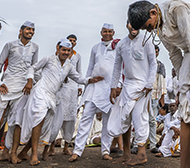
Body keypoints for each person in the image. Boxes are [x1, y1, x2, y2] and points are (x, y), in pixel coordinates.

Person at [127, 0, 190, 168]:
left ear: (153, 13)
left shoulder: (177, 10)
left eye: (148, 26)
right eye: (145, 29)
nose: (149, 30)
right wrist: (183, 85)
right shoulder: (158, 26)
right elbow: (174, 54)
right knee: (186, 107)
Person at [18, 39, 103, 165]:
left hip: (52, 98)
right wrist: (29, 81)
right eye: (63, 49)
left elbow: (78, 78)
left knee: (44, 127)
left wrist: (90, 80)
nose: (66, 52)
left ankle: (24, 152)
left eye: (68, 50)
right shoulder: (48, 59)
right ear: (58, 48)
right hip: (41, 93)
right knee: (38, 120)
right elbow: (32, 68)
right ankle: (34, 155)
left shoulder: (69, 66)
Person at [107, 22, 157, 165]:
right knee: (124, 118)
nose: (133, 27)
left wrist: (149, 83)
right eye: (131, 23)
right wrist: (113, 87)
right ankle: (127, 154)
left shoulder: (147, 41)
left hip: (143, 86)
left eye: (136, 23)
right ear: (127, 25)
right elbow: (117, 67)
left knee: (139, 117)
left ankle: (141, 154)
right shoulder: (122, 44)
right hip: (127, 85)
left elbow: (153, 63)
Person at [70, 23, 117, 162]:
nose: (107, 33)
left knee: (108, 122)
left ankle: (105, 151)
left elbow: (120, 67)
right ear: (101, 32)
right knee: (85, 118)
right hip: (94, 87)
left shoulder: (117, 47)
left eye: (109, 31)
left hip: (109, 89)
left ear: (113, 32)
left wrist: (118, 85)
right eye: (104, 31)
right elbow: (90, 67)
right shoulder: (95, 48)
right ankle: (77, 151)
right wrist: (88, 82)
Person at [0, 21, 38, 163]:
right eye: (28, 29)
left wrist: (30, 81)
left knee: (16, 122)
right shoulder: (10, 45)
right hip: (6, 87)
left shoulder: (35, 47)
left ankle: (10, 152)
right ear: (21, 31)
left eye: (33, 30)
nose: (31, 32)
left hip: (23, 89)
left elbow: (33, 67)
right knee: (0, 120)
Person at [48, 33, 82, 157]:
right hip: (60, 88)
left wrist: (79, 87)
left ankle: (66, 146)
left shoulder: (77, 56)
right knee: (56, 116)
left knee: (70, 117)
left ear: (76, 43)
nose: (72, 42)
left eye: (74, 41)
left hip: (72, 88)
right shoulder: (57, 56)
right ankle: (51, 146)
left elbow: (79, 72)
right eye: (70, 40)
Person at [149, 45, 167, 152]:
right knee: (140, 120)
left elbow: (162, 83)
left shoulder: (160, 66)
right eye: (153, 51)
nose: (155, 53)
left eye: (156, 52)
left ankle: (152, 145)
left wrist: (162, 97)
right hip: (144, 96)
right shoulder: (145, 64)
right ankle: (137, 144)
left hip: (155, 96)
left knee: (152, 121)